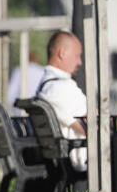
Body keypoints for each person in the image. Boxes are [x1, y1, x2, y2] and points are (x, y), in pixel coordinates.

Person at [36, 30, 88, 171]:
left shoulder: (46, 84)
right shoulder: (61, 87)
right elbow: (90, 127)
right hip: (80, 162)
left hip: (61, 159)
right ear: (62, 53)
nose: (80, 62)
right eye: (77, 56)